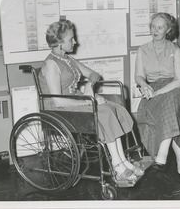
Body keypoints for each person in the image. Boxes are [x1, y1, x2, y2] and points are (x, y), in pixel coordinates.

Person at [38, 19, 144, 183]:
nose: (75, 42)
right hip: (59, 109)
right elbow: (59, 102)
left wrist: (89, 85)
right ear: (59, 43)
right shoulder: (52, 64)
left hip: (74, 101)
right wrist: (90, 101)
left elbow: (94, 75)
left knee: (113, 108)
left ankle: (123, 160)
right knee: (104, 111)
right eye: (71, 39)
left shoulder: (68, 60)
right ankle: (117, 165)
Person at [135, 12, 180, 183]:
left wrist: (156, 93)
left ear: (168, 30)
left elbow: (179, 80)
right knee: (168, 107)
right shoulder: (142, 50)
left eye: (160, 27)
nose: (155, 30)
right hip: (154, 90)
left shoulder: (176, 50)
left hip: (179, 90)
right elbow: (139, 76)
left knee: (170, 100)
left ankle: (162, 153)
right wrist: (144, 85)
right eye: (153, 26)